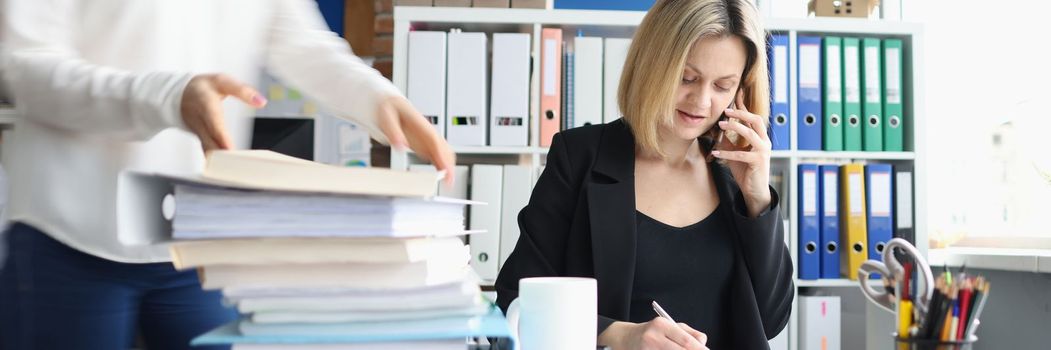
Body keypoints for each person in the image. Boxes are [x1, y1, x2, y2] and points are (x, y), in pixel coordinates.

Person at [0, 0, 455, 349]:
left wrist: (378, 99)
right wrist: (169, 97)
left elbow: (299, 41)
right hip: (69, 232)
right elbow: (24, 67)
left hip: (199, 239)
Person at [494, 0, 793, 349]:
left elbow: (771, 319)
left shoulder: (734, 176)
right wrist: (620, 334)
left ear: (741, 90)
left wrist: (757, 198)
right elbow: (514, 302)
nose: (701, 101)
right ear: (652, 65)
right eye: (687, 78)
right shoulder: (580, 158)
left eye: (723, 86)